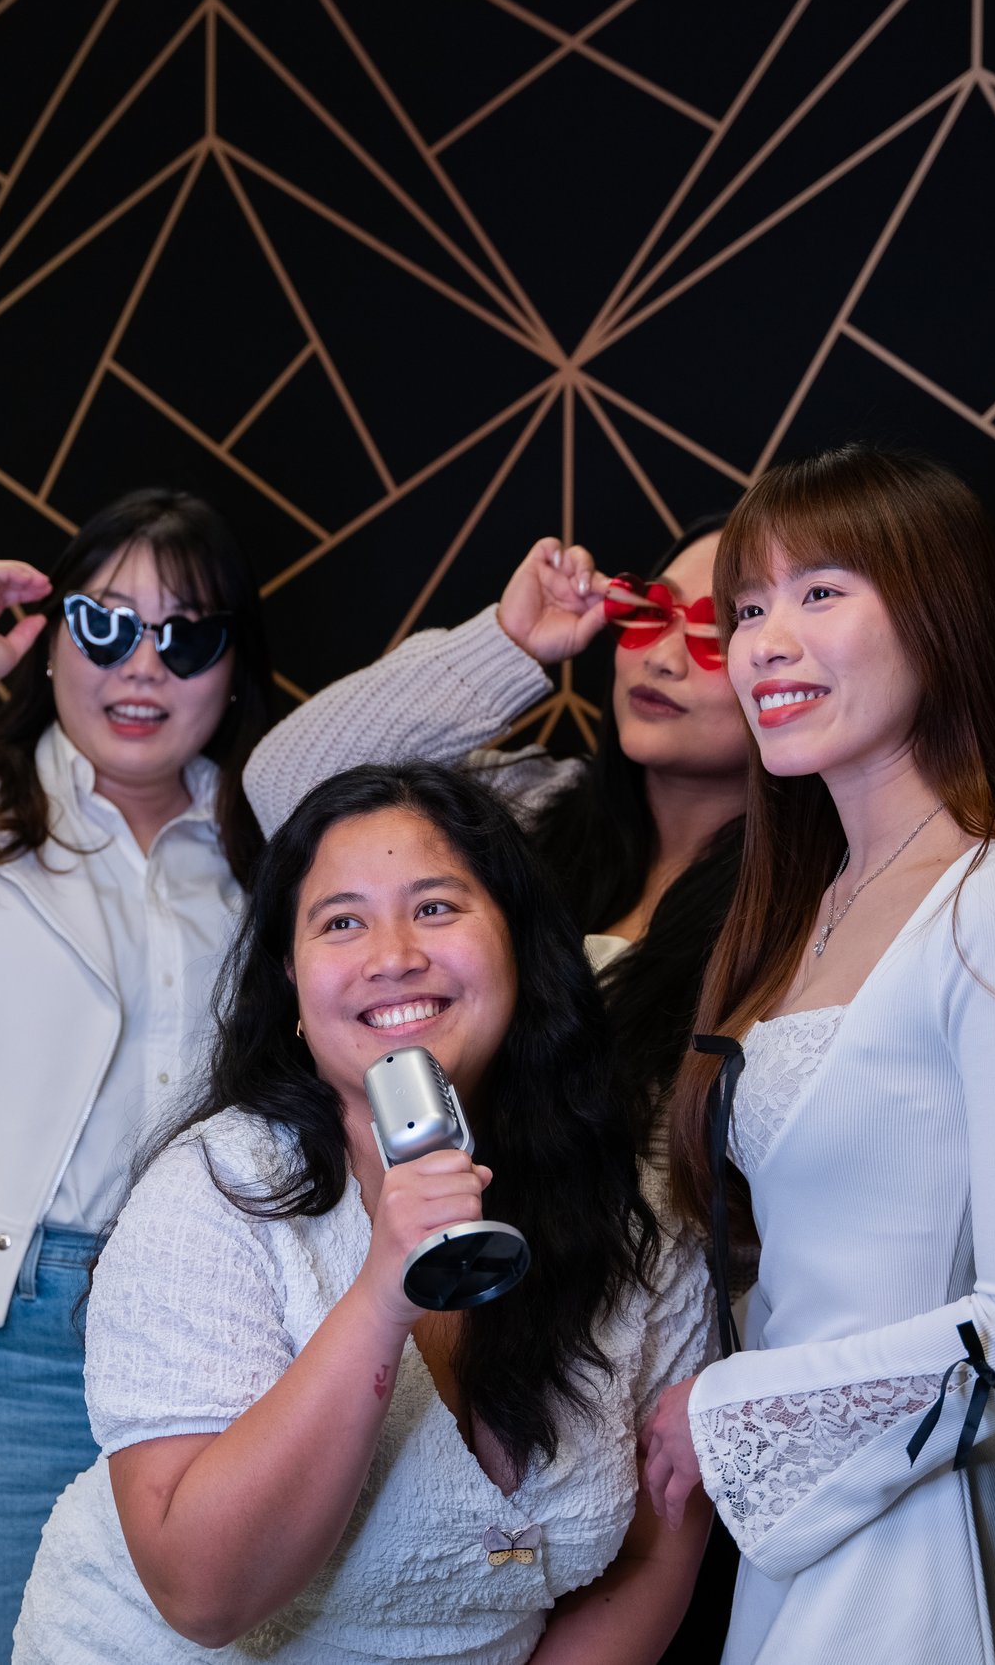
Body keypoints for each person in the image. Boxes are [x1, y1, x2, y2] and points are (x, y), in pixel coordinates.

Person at [13, 762, 713, 1664]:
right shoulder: (215, 1192)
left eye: (435, 907)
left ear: (522, 949)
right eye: (341, 921)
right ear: (295, 988)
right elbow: (202, 1594)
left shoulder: (636, 1207)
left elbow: (656, 1549)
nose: (393, 955)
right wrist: (383, 1297)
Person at [637, 444, 995, 1663]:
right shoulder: (801, 901)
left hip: (928, 1534)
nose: (763, 640)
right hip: (812, 1529)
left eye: (820, 592)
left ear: (937, 615)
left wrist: (729, 1409)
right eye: (747, 606)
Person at [246, 519, 754, 1661]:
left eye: (715, 631)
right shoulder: (525, 815)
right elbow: (290, 787)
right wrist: (510, 644)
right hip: (406, 1288)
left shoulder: (800, 911)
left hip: (621, 1348)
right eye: (645, 614)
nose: (660, 654)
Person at [0, 487, 275, 1665]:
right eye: (104, 627)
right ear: (49, 643)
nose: (143, 666)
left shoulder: (269, 849)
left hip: (221, 1326)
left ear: (232, 665)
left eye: (187, 634)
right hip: (0, 1335)